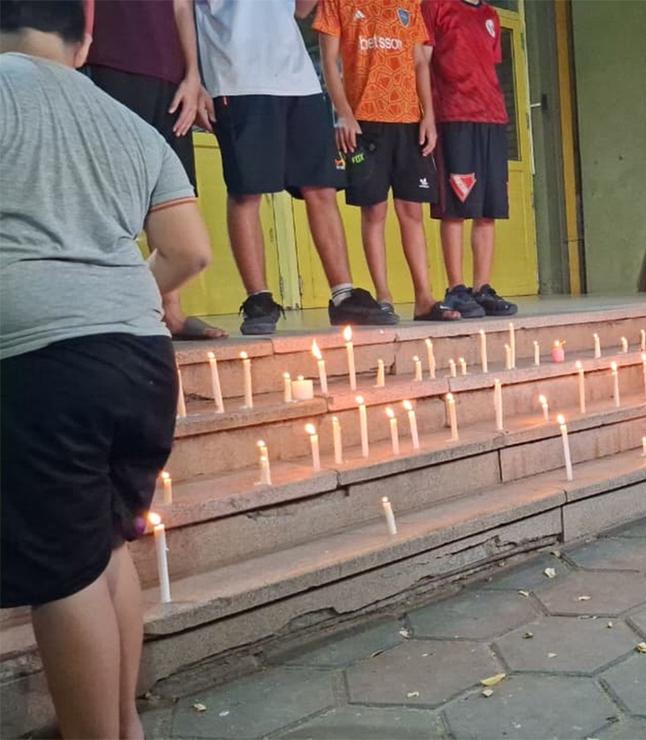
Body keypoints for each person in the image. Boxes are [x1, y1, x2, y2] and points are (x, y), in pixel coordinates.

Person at [1, 3, 211, 736]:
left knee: (63, 573)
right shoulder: (129, 121)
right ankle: (122, 723)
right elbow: (188, 250)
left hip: (42, 359)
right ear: (84, 39)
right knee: (107, 544)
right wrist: (121, 295)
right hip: (140, 358)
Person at [194, 0, 395, 334]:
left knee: (321, 186)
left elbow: (300, 10)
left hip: (297, 78)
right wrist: (192, 76)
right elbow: (182, 11)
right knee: (247, 190)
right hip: (237, 75)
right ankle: (258, 298)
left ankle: (343, 295)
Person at [85, 0, 225, 340]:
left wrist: (193, 75)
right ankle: (115, 312)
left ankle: (170, 310)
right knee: (117, 196)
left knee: (171, 194)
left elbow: (181, 7)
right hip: (110, 63)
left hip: (170, 75)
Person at [315, 0, 459, 322]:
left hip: (408, 122)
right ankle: (384, 297)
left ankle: (424, 298)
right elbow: (329, 60)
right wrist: (343, 113)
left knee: (412, 212)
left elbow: (421, 61)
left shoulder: (410, 4)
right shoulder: (338, 3)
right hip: (364, 124)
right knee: (375, 211)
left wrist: (428, 117)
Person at [422, 0, 518, 318]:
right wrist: (428, 118)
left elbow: (487, 65)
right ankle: (457, 288)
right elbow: (421, 62)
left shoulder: (489, 15)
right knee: (455, 208)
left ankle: (482, 288)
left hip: (492, 118)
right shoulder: (436, 6)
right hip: (454, 117)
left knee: (487, 210)